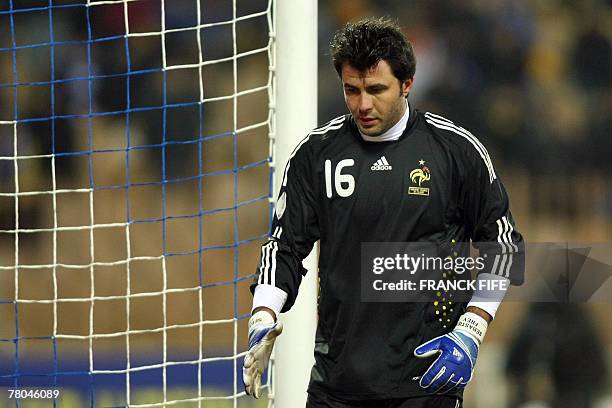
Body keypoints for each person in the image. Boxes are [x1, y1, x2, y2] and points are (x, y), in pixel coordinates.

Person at [243, 17, 524, 407]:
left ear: (407, 84)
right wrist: (263, 313)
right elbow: (284, 245)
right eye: (351, 90)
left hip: (426, 382)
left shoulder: (456, 151)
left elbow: (505, 246)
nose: (363, 104)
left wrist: (471, 328)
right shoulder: (316, 155)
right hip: (336, 383)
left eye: (376, 89)